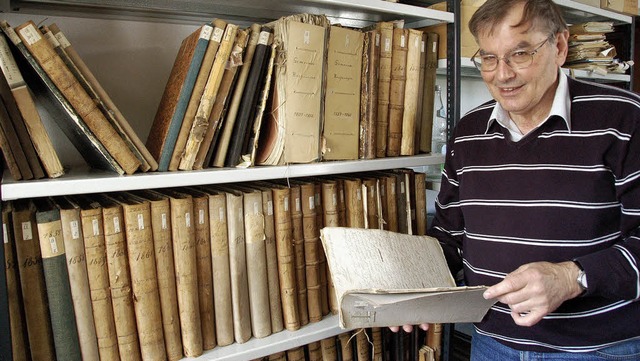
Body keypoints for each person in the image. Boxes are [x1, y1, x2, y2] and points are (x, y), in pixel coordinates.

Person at [392, 0, 640, 359]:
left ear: (559, 47)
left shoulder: (624, 119)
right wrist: (415, 288)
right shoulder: (469, 133)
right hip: (491, 344)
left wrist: (573, 277)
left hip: (597, 349)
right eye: (489, 58)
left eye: (519, 54)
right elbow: (449, 235)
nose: (502, 74)